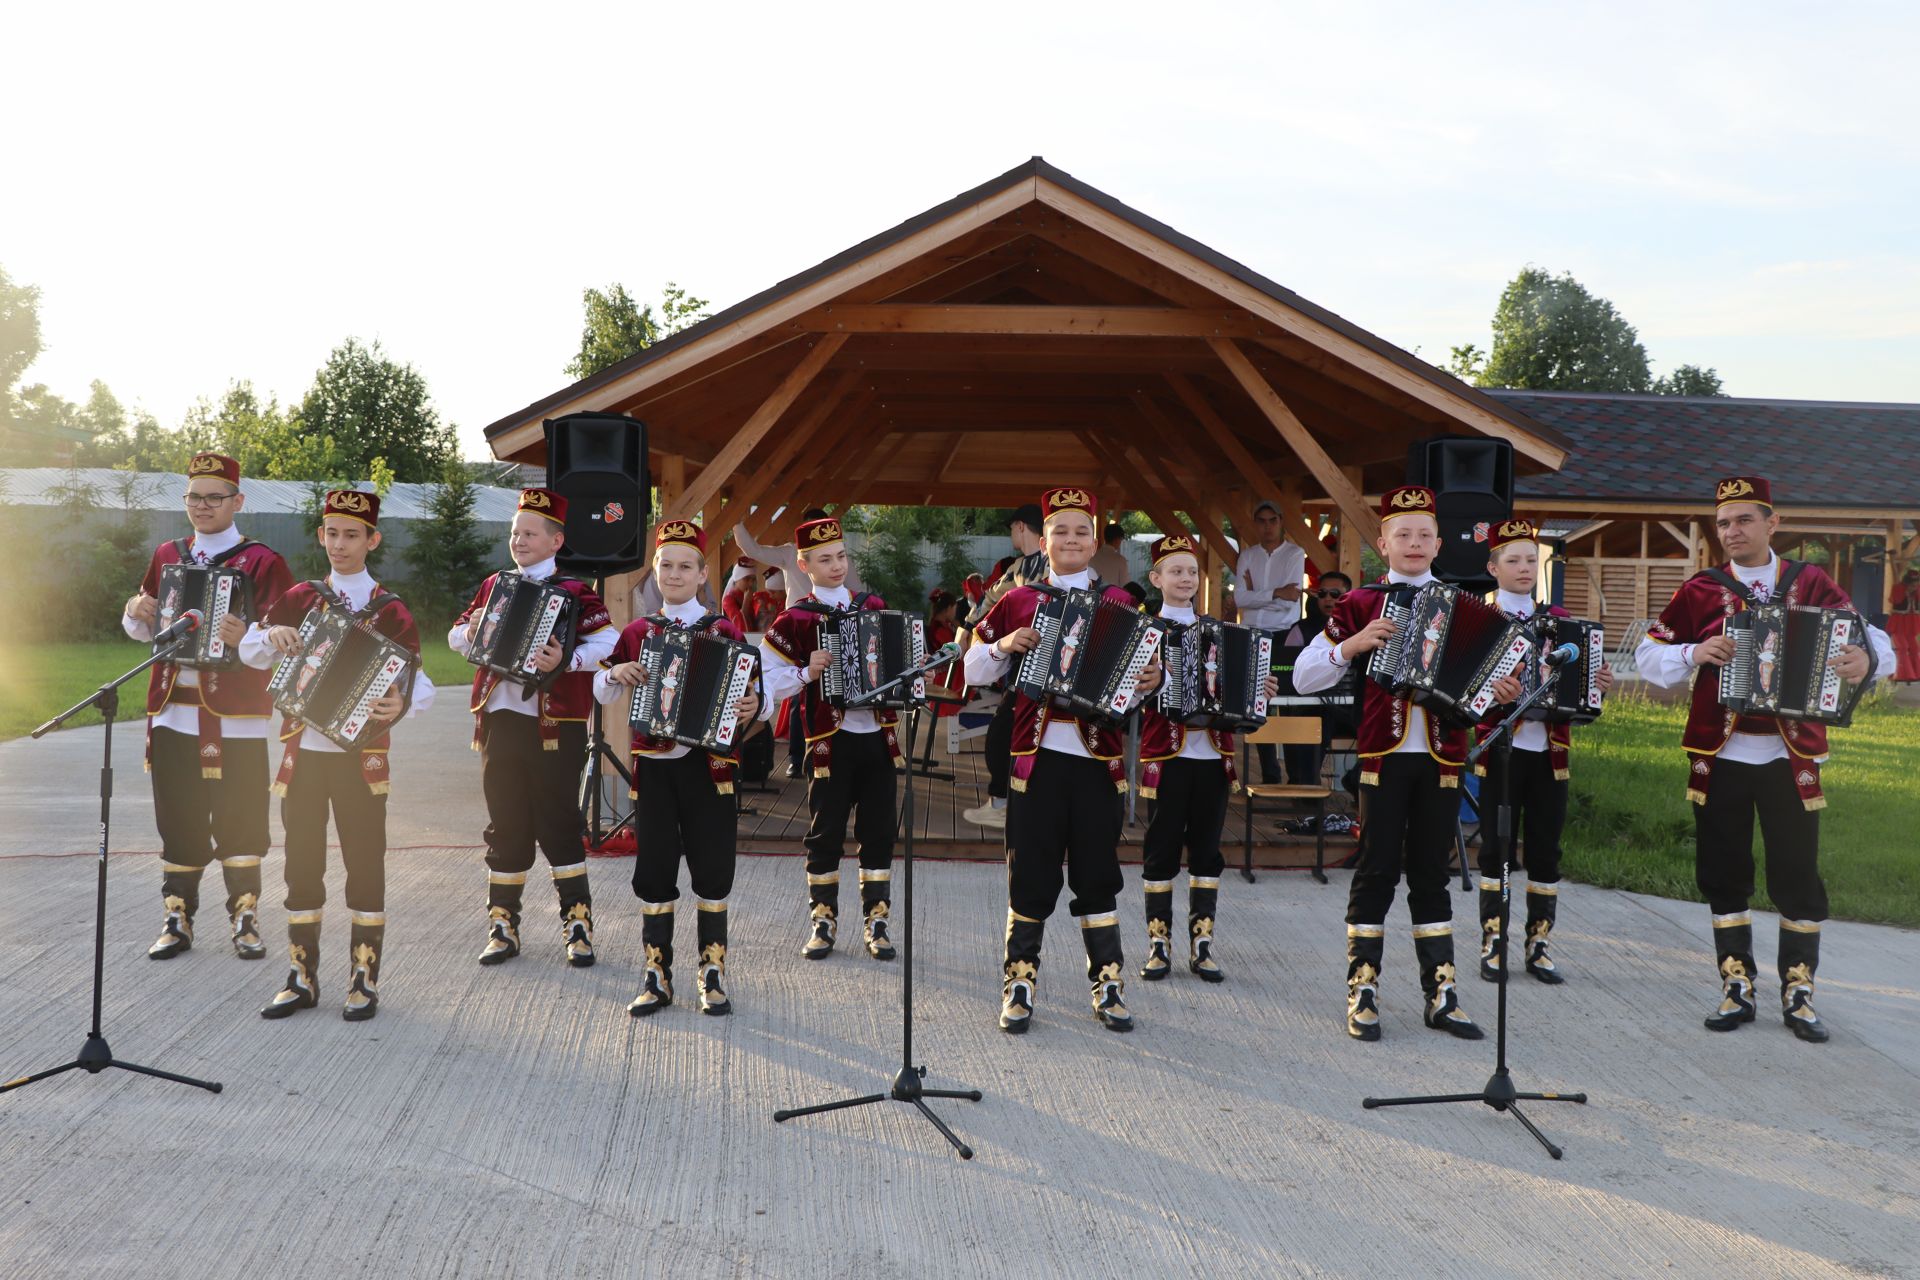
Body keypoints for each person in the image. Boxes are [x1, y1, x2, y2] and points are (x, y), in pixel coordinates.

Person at [1634, 477, 1893, 1043]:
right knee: (1723, 871)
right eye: (1723, 523)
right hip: (1720, 752)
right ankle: (1736, 985)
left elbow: (1872, 641)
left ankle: (1798, 993)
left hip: (1790, 753)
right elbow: (1648, 653)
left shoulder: (1811, 582)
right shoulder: (1702, 589)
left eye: (1743, 521)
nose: (1731, 532)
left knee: (1797, 873)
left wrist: (1861, 661)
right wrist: (1692, 651)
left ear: (1772, 524)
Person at [963, 487, 1163, 1034]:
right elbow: (972, 667)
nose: (1071, 539)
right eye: (1060, 530)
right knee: (1029, 870)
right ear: (1043, 539)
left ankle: (1107, 981)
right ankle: (1020, 982)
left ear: (1094, 541)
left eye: (1081, 531)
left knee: (1098, 872)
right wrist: (1003, 646)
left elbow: (1149, 676)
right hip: (1035, 758)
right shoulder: (1018, 599)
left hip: (1098, 762)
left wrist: (1156, 677)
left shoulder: (1122, 603)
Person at [1293, 486, 1484, 1043]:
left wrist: (1502, 686)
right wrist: (1350, 647)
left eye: (1426, 534)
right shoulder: (1358, 604)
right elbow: (1306, 676)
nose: (1416, 543)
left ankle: (1441, 994)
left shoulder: (1463, 607)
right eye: (1404, 534)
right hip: (1382, 759)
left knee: (1432, 874)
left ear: (1440, 543)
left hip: (1444, 759)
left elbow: (1483, 688)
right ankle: (1364, 990)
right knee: (1376, 870)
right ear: (1383, 543)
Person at [241, 490, 435, 1021]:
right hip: (303, 753)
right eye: (332, 533)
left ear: (372, 540)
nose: (340, 544)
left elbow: (422, 684)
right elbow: (249, 649)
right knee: (302, 863)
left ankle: (363, 979)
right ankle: (301, 976)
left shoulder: (390, 610)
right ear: (320, 536)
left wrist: (399, 702)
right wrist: (271, 632)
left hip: (361, 758)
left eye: (352, 534)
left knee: (364, 864)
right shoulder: (301, 599)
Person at [122, 453, 294, 963]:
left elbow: (288, 636)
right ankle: (178, 917)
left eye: (214, 497)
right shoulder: (168, 554)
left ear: (237, 501)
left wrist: (250, 635)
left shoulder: (263, 561)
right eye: (194, 497)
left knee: (240, 815)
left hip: (235, 712)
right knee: (178, 814)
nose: (202, 506)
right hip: (173, 707)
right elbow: (146, 620)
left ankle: (245, 917)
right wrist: (135, 608)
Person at [595, 520, 770, 1016]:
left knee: (712, 866)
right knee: (654, 866)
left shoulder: (723, 630)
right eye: (665, 565)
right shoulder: (637, 632)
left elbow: (757, 697)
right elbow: (602, 688)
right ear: (654, 573)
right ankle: (657, 973)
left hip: (709, 768)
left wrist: (751, 705)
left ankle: (711, 972)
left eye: (685, 566)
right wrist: (615, 673)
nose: (674, 573)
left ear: (701, 576)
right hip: (654, 767)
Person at [450, 489, 617, 969]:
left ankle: (577, 926)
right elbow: (455, 634)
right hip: (499, 720)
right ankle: (503, 926)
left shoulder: (577, 593)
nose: (518, 541)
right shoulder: (494, 585)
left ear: (555, 540)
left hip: (555, 726)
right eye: (514, 533)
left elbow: (606, 640)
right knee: (506, 822)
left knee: (559, 821)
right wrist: (474, 628)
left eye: (528, 533)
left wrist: (566, 659)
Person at [1472, 519, 1614, 985]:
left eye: (1532, 559)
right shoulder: (1480, 620)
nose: (1524, 568)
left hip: (1550, 752)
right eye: (1512, 560)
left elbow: (1581, 690)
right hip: (1501, 750)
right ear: (1493, 567)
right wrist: (1492, 692)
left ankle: (1540, 942)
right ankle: (1494, 940)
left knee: (1546, 847)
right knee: (1496, 848)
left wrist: (1597, 683)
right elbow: (1463, 691)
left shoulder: (1560, 619)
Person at [760, 512, 902, 961]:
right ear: (804, 566)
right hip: (828, 741)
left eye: (841, 556)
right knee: (824, 833)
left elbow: (897, 663)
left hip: (878, 738)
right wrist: (806, 672)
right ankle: (823, 922)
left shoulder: (873, 608)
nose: (837, 566)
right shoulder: (795, 621)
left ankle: (876, 923)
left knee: (879, 832)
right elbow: (765, 680)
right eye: (825, 560)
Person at [1136, 534, 1277, 984]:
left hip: (1214, 756)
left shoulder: (1220, 629)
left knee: (1207, 850)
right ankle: (1159, 945)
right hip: (1166, 753)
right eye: (1175, 571)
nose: (1185, 579)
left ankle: (1202, 945)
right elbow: (1123, 698)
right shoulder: (1145, 631)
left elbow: (1238, 691)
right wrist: (1152, 683)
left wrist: (1259, 691)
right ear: (1156, 578)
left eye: (1192, 572)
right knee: (1160, 850)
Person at [961, 505, 1050, 829]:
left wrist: (970, 630)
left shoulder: (1029, 568)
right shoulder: (1021, 568)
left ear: (1021, 527)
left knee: (1003, 736)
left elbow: (985, 608)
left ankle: (1003, 803)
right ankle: (1004, 801)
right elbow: (990, 604)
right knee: (1005, 735)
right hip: (1018, 663)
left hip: (1031, 669)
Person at [1234, 501, 1308, 784]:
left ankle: (1297, 776)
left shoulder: (1294, 553)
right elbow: (1240, 599)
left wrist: (1259, 593)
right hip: (1253, 634)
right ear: (1255, 524)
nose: (1267, 526)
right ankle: (1269, 775)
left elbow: (1292, 598)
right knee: (1258, 705)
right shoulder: (1248, 555)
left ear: (1281, 521)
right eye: (1261, 521)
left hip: (1283, 633)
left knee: (1289, 703)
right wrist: (1276, 592)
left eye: (1272, 520)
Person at [733, 507, 863, 609]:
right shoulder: (791, 553)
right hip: (797, 624)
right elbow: (754, 551)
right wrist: (736, 523)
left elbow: (856, 594)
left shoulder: (840, 557)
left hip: (830, 625)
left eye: (818, 528)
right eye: (809, 529)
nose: (813, 534)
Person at [1091, 523, 1133, 590]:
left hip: (1093, 598)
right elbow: (1126, 585)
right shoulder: (1120, 560)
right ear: (1117, 539)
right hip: (1113, 599)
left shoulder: (1092, 557)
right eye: (1121, 539)